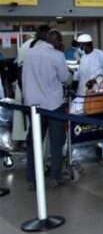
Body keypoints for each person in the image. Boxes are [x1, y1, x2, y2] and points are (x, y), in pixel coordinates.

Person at [23, 29, 71, 189]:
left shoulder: (30, 53)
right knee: (56, 142)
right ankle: (55, 178)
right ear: (57, 42)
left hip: (34, 105)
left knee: (34, 143)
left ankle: (32, 179)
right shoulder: (57, 55)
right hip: (53, 104)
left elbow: (24, 78)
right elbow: (65, 78)